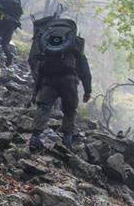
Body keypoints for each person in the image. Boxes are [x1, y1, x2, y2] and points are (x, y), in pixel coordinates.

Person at [27, 14, 91, 151]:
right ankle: (67, 140)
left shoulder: (46, 41)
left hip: (48, 79)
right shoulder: (74, 43)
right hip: (69, 81)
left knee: (43, 107)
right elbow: (84, 68)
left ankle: (35, 137)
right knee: (69, 110)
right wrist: (87, 90)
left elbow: (38, 67)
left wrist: (35, 91)